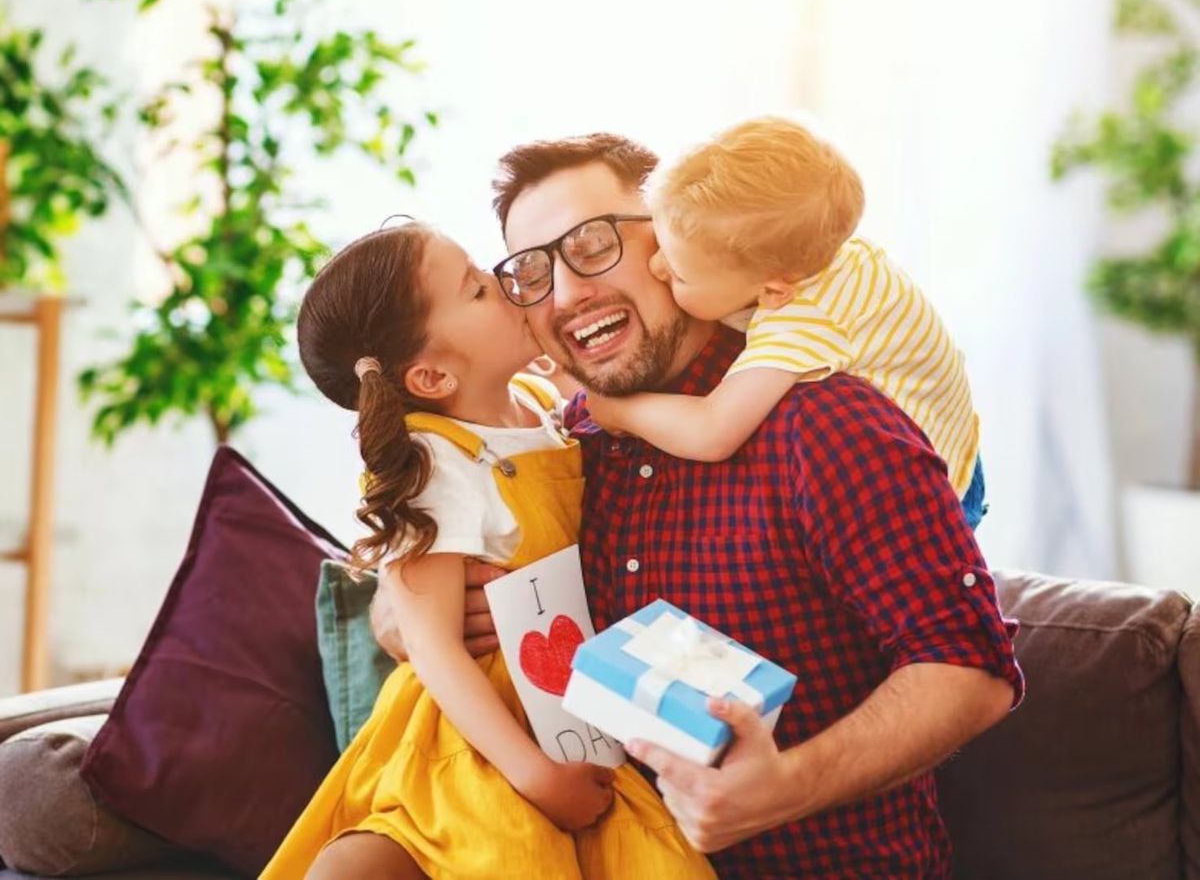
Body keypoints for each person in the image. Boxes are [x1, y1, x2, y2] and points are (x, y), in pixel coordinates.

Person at [373, 132, 1024, 878]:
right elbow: (419, 547)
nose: (566, 294)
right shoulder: (563, 447)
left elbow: (970, 669)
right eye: (530, 271)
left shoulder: (826, 422)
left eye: (592, 243)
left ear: (671, 239)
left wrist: (785, 787)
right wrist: (401, 615)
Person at [262, 221, 715, 879]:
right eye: (476, 288)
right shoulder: (435, 461)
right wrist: (536, 776)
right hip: (480, 735)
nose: (504, 282)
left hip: (568, 706)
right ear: (432, 375)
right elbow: (434, 648)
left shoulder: (537, 401)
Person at [580, 116, 985, 528]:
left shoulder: (804, 320)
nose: (655, 266)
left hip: (938, 487)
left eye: (680, 274)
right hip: (956, 427)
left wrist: (618, 411)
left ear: (773, 292)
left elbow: (713, 430)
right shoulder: (813, 249)